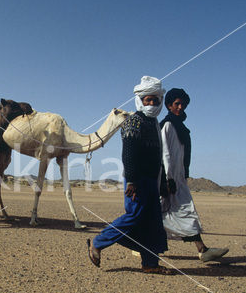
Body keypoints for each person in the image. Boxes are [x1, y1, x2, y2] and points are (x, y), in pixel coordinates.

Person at [87, 76, 171, 274]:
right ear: (140, 100)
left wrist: (163, 182)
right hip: (138, 180)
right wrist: (132, 180)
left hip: (152, 179)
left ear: (159, 101)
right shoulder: (133, 122)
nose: (151, 104)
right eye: (147, 100)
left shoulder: (154, 124)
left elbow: (159, 156)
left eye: (155, 100)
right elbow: (129, 154)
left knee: (152, 221)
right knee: (134, 215)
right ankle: (99, 242)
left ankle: (150, 264)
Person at [159, 88, 228, 262]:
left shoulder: (180, 126)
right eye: (177, 104)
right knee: (167, 212)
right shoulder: (167, 125)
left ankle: (202, 249)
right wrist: (169, 178)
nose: (180, 107)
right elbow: (165, 154)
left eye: (183, 104)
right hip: (169, 179)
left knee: (179, 212)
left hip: (178, 177)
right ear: (169, 105)